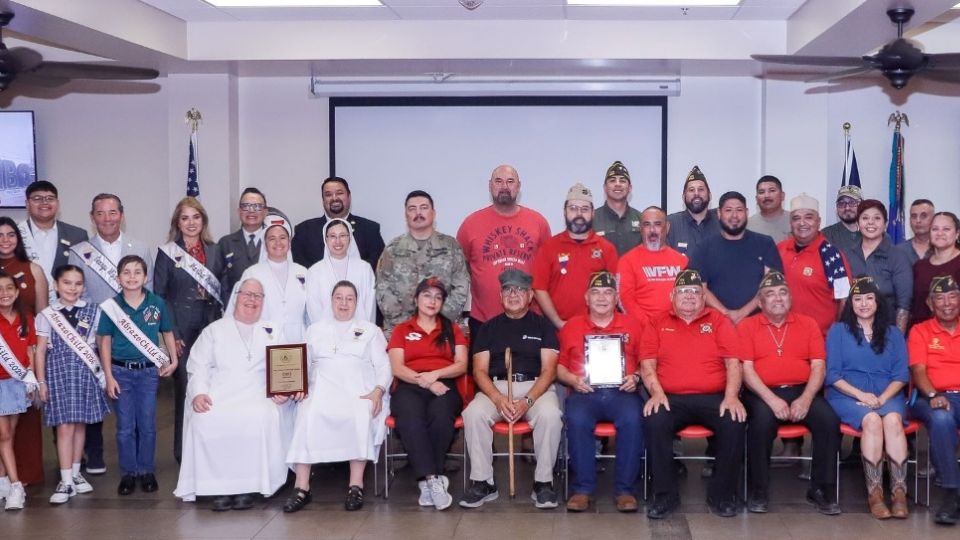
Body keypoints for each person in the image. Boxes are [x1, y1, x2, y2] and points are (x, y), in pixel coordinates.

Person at [174, 278, 292, 511]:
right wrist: (198, 393)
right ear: (236, 297)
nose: (252, 300)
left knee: (260, 417)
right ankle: (218, 488)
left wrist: (282, 391)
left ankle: (247, 487)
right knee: (206, 418)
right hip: (220, 391)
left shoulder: (273, 330)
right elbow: (198, 366)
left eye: (258, 296)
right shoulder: (214, 330)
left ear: (263, 302)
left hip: (258, 391)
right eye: (247, 294)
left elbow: (284, 367)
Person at [639, 269, 746, 519]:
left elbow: (733, 363)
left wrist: (732, 397)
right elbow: (647, 364)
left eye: (695, 292)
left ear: (704, 297)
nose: (689, 296)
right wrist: (655, 393)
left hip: (714, 397)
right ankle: (665, 495)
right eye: (683, 291)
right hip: (669, 397)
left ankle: (721, 495)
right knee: (655, 421)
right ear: (672, 295)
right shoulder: (656, 322)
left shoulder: (719, 321)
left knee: (734, 421)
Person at [738, 271, 841, 515]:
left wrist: (805, 399)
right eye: (770, 294)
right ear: (760, 303)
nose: (777, 298)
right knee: (760, 423)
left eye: (783, 293)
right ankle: (758, 489)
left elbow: (818, 366)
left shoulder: (808, 324)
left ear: (790, 298)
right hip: (762, 392)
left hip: (802, 390)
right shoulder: (747, 326)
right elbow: (746, 370)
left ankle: (821, 490)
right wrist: (772, 400)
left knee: (829, 421)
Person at [285, 280, 390, 513]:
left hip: (359, 390)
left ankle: (356, 485)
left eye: (349, 298)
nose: (344, 303)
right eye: (339, 298)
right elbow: (303, 364)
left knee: (361, 412)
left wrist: (378, 391)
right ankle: (302, 488)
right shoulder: (314, 329)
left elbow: (384, 366)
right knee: (306, 412)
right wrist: (300, 386)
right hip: (321, 389)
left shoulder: (371, 330)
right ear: (331, 301)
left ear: (357, 302)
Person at [460, 269, 562, 509]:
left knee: (550, 415)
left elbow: (550, 370)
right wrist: (497, 399)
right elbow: (479, 371)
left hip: (536, 387)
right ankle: (483, 481)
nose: (513, 294)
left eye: (520, 290)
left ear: (530, 297)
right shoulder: (487, 328)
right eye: (508, 289)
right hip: (495, 387)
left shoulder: (543, 326)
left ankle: (543, 483)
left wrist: (527, 400)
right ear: (500, 294)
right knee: (473, 413)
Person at [67, 193, 153, 475]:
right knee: (93, 394)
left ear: (122, 214)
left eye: (112, 212)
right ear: (92, 217)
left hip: (134, 337)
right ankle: (95, 454)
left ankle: (140, 461)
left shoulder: (140, 247)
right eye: (101, 213)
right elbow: (76, 295)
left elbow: (149, 295)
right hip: (94, 334)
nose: (107, 218)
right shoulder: (79, 251)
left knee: (134, 405)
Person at [557, 271, 644, 513]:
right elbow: (560, 367)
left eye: (608, 293)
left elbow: (647, 363)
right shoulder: (571, 327)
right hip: (585, 393)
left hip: (623, 393)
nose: (602, 298)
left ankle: (625, 490)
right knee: (576, 419)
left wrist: (636, 377)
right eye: (595, 292)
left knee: (633, 419)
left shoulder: (633, 325)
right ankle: (582, 489)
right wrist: (573, 380)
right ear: (586, 298)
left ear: (616, 298)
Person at [825, 276, 910, 519]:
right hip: (847, 395)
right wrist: (861, 395)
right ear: (850, 303)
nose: (864, 304)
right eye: (858, 299)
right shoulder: (838, 331)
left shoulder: (893, 333)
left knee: (892, 419)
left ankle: (899, 493)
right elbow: (832, 374)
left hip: (888, 394)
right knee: (872, 420)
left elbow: (901, 374)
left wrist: (882, 398)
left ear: (878, 302)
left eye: (869, 298)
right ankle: (875, 494)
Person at [97, 255, 178, 496]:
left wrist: (173, 359)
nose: (132, 277)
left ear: (146, 277)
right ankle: (128, 473)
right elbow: (104, 343)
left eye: (137, 272)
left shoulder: (157, 303)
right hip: (121, 372)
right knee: (124, 427)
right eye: (126, 272)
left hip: (147, 373)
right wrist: (108, 376)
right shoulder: (111, 306)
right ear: (118, 277)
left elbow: (167, 332)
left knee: (147, 425)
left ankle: (146, 471)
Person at [387, 277, 468, 510]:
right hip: (409, 384)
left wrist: (437, 375)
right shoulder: (402, 330)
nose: (432, 301)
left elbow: (461, 364)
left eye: (438, 297)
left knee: (441, 416)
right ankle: (433, 479)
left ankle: (426, 481)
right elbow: (397, 367)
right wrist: (426, 381)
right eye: (427, 295)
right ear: (416, 299)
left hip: (444, 384)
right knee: (411, 418)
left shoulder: (452, 329)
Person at [153, 197, 223, 464]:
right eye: (185, 218)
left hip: (210, 327)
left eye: (196, 217)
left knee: (211, 387)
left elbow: (223, 292)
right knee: (186, 389)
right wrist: (172, 336)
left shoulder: (216, 251)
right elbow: (160, 296)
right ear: (177, 223)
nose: (191, 223)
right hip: (180, 329)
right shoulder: (167, 252)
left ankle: (209, 448)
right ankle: (184, 452)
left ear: (203, 220)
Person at [35, 265, 110, 505]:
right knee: (64, 427)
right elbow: (40, 352)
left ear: (84, 287)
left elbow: (100, 344)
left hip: (85, 374)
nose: (72, 288)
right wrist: (41, 381)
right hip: (58, 374)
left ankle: (76, 473)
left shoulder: (93, 311)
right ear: (56, 285)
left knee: (80, 425)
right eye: (67, 283)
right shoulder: (47, 314)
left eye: (78, 284)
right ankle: (65, 480)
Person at [457, 165, 551, 336]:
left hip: (529, 320)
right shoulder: (470, 225)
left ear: (519, 186)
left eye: (510, 181)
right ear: (490, 185)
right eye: (498, 181)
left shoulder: (538, 223)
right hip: (483, 321)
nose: (504, 186)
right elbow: (462, 268)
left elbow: (546, 270)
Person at [378, 190, 470, 339]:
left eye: (424, 207)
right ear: (406, 215)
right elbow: (383, 291)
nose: (418, 213)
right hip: (402, 332)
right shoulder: (392, 249)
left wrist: (434, 322)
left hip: (443, 331)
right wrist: (409, 326)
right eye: (412, 208)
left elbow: (461, 288)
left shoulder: (451, 246)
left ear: (433, 214)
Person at [908, 275, 960, 525]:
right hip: (929, 397)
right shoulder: (920, 331)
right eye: (940, 298)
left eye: (952, 296)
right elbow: (918, 371)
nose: (947, 303)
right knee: (941, 419)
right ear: (930, 303)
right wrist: (934, 395)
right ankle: (951, 493)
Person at [0, 216, 48, 486]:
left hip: (24, 357)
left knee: (24, 422)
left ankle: (25, 475)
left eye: (11, 234)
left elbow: (42, 316)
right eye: (0, 235)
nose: (5, 240)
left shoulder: (33, 269)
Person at [532, 183, 618, 328]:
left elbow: (616, 290)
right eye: (573, 208)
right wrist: (558, 323)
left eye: (584, 209)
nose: (579, 214)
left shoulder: (606, 249)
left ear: (593, 213)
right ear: (564, 212)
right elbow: (539, 288)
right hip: (558, 329)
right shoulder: (548, 248)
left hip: (597, 330)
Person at [689, 191, 782, 324]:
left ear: (747, 212)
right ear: (719, 213)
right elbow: (700, 287)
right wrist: (725, 314)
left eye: (739, 210)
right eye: (728, 210)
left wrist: (742, 313)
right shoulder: (704, 247)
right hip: (716, 324)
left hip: (759, 324)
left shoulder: (765, 244)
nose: (734, 215)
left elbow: (772, 286)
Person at [227, 212, 308, 343]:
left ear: (289, 242)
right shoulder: (252, 273)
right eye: (272, 238)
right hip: (262, 341)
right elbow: (237, 312)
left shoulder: (303, 272)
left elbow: (310, 313)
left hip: (298, 341)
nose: (278, 243)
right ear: (265, 244)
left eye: (282, 237)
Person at [778, 194, 852, 336]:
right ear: (790, 223)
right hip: (783, 339)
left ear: (818, 221)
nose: (802, 223)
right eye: (796, 218)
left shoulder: (831, 255)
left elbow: (844, 299)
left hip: (820, 341)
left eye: (809, 217)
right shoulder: (780, 249)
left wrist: (836, 335)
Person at [0, 270, 37, 510]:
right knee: (3, 436)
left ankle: (2, 480)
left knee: (8, 436)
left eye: (9, 289)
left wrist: (33, 377)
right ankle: (16, 486)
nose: (4, 294)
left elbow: (31, 350)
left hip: (17, 383)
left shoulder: (26, 317)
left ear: (16, 292)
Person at [845, 200, 912, 332]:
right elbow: (842, 299)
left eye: (877, 218)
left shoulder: (898, 256)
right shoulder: (847, 255)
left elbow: (904, 306)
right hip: (853, 332)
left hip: (887, 332)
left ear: (885, 224)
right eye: (865, 218)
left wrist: (896, 340)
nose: (871, 222)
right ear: (858, 223)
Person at [292, 176, 385, 271]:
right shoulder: (304, 231)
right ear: (323, 200)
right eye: (328, 195)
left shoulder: (370, 229)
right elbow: (299, 266)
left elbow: (378, 264)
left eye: (339, 193)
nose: (334, 198)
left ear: (349, 197)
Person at [17, 181, 88, 302]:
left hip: (66, 310)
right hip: (24, 309)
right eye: (37, 198)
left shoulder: (77, 235)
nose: (44, 202)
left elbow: (84, 276)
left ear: (57, 203)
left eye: (50, 198)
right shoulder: (13, 235)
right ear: (27, 204)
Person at [617, 206, 688, 320]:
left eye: (658, 224)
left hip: (676, 328)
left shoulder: (682, 261)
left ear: (667, 227)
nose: (652, 230)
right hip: (642, 330)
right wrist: (648, 327)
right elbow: (625, 299)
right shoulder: (627, 261)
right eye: (647, 224)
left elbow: (689, 298)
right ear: (640, 228)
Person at [305, 218, 375, 324]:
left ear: (350, 238)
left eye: (342, 236)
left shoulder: (364, 269)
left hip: (359, 335)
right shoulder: (314, 272)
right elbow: (314, 309)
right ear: (326, 239)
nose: (338, 241)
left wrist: (363, 333)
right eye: (333, 236)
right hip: (326, 335)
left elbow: (369, 306)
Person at [215, 188, 268, 305]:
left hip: (268, 308)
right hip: (235, 309)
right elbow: (221, 284)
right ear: (239, 211)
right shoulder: (225, 243)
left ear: (265, 212)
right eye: (246, 206)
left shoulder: (274, 243)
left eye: (257, 206)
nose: (251, 211)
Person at [910, 212, 960, 325]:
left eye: (946, 229)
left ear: (957, 233)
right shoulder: (919, 266)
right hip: (921, 335)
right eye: (935, 229)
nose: (940, 233)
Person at [666, 165, 720, 256]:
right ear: (683, 197)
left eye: (701, 189)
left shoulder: (721, 221)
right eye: (691, 190)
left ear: (710, 195)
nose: (696, 193)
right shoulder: (670, 224)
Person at [593, 161, 642, 255]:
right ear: (605, 187)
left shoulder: (641, 218)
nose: (617, 184)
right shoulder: (592, 219)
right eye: (612, 180)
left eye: (622, 181)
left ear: (630, 188)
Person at [821, 185, 863, 257]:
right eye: (841, 203)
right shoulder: (826, 235)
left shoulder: (872, 234)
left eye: (852, 202)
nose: (847, 208)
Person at [747, 175, 791, 243]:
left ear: (782, 196)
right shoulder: (747, 225)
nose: (766, 196)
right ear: (756, 199)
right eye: (761, 192)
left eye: (772, 190)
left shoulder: (795, 221)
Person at [896, 199, 935, 265]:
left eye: (923, 216)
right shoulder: (898, 251)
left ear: (934, 218)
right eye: (914, 216)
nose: (918, 220)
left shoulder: (942, 248)